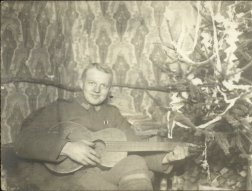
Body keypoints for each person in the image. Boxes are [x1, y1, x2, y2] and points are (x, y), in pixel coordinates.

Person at [14, 63, 189, 190]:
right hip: (69, 178)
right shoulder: (60, 108)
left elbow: (135, 146)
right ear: (82, 84)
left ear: (108, 90)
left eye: (103, 85)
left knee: (135, 162)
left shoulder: (113, 114)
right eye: (92, 83)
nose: (97, 90)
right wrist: (66, 147)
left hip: (105, 173)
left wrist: (167, 158)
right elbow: (23, 141)